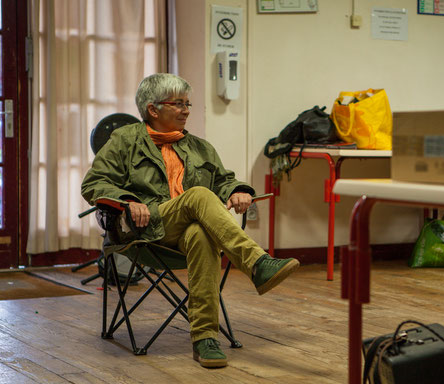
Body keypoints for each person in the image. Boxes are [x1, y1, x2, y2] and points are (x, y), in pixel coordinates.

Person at [81, 73, 299, 368]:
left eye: (188, 104)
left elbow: (224, 181)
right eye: (178, 103)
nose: (186, 110)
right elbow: (94, 184)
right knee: (198, 196)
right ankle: (256, 263)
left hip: (181, 233)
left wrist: (237, 191)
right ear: (153, 109)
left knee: (200, 233)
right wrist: (128, 202)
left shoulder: (200, 147)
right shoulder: (124, 141)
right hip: (143, 231)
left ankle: (205, 339)